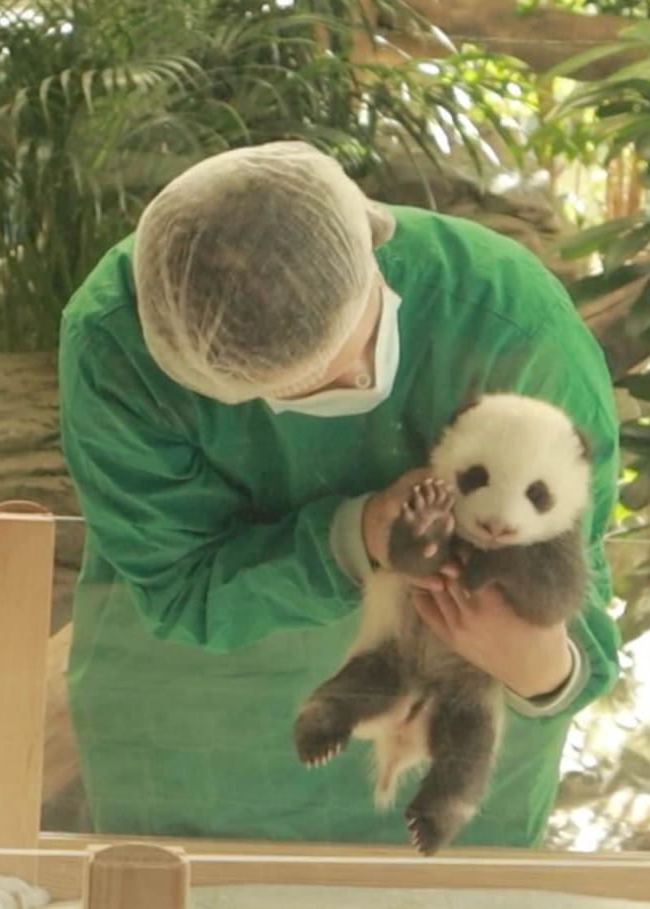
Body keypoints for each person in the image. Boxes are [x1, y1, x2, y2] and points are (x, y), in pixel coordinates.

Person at [56, 140, 620, 847]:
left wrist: (544, 669)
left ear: (374, 242)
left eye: (339, 353)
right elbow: (176, 580)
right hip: (205, 745)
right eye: (281, 385)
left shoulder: (509, 322)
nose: (338, 389)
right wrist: (356, 538)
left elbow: (577, 571)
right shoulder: (120, 344)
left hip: (449, 743)